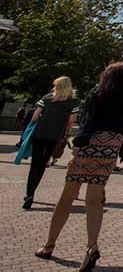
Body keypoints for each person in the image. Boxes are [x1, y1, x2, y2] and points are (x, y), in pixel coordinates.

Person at [35, 62, 123, 271]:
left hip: (91, 143)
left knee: (68, 195)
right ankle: (91, 247)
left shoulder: (97, 92)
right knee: (95, 199)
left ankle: (49, 245)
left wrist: (79, 144)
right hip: (111, 146)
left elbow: (87, 121)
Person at [23, 77, 79, 209]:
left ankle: (29, 194)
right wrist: (67, 135)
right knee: (42, 164)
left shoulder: (47, 98)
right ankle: (31, 192)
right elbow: (71, 122)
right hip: (55, 136)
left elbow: (35, 117)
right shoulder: (73, 102)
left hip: (39, 133)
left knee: (34, 164)